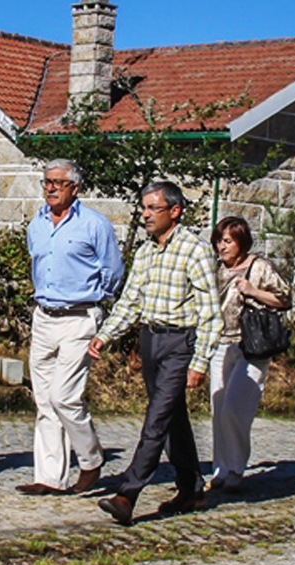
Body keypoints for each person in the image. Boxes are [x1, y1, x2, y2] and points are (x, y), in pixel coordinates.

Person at [88, 181, 221, 525]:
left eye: (153, 208)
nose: (146, 215)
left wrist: (199, 362)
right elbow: (130, 302)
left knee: (157, 419)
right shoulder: (146, 252)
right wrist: (105, 335)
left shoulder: (194, 250)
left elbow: (210, 313)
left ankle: (127, 494)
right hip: (150, 340)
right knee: (172, 418)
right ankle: (191, 488)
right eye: (144, 208)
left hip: (180, 343)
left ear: (174, 211)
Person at [17, 159, 125, 496]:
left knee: (64, 396)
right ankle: (49, 477)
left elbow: (113, 271)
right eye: (46, 182)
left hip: (79, 318)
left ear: (74, 188)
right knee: (45, 400)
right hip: (44, 316)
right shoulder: (36, 224)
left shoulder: (94, 225)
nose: (50, 188)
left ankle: (91, 460)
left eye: (58, 183)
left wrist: (94, 299)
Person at [208, 216, 290, 491]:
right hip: (220, 343)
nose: (222, 247)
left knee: (235, 408)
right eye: (219, 241)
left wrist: (253, 291)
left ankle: (236, 467)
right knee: (219, 408)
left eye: (227, 241)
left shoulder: (260, 267)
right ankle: (220, 469)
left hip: (251, 346)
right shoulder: (217, 269)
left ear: (241, 242)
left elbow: (285, 298)